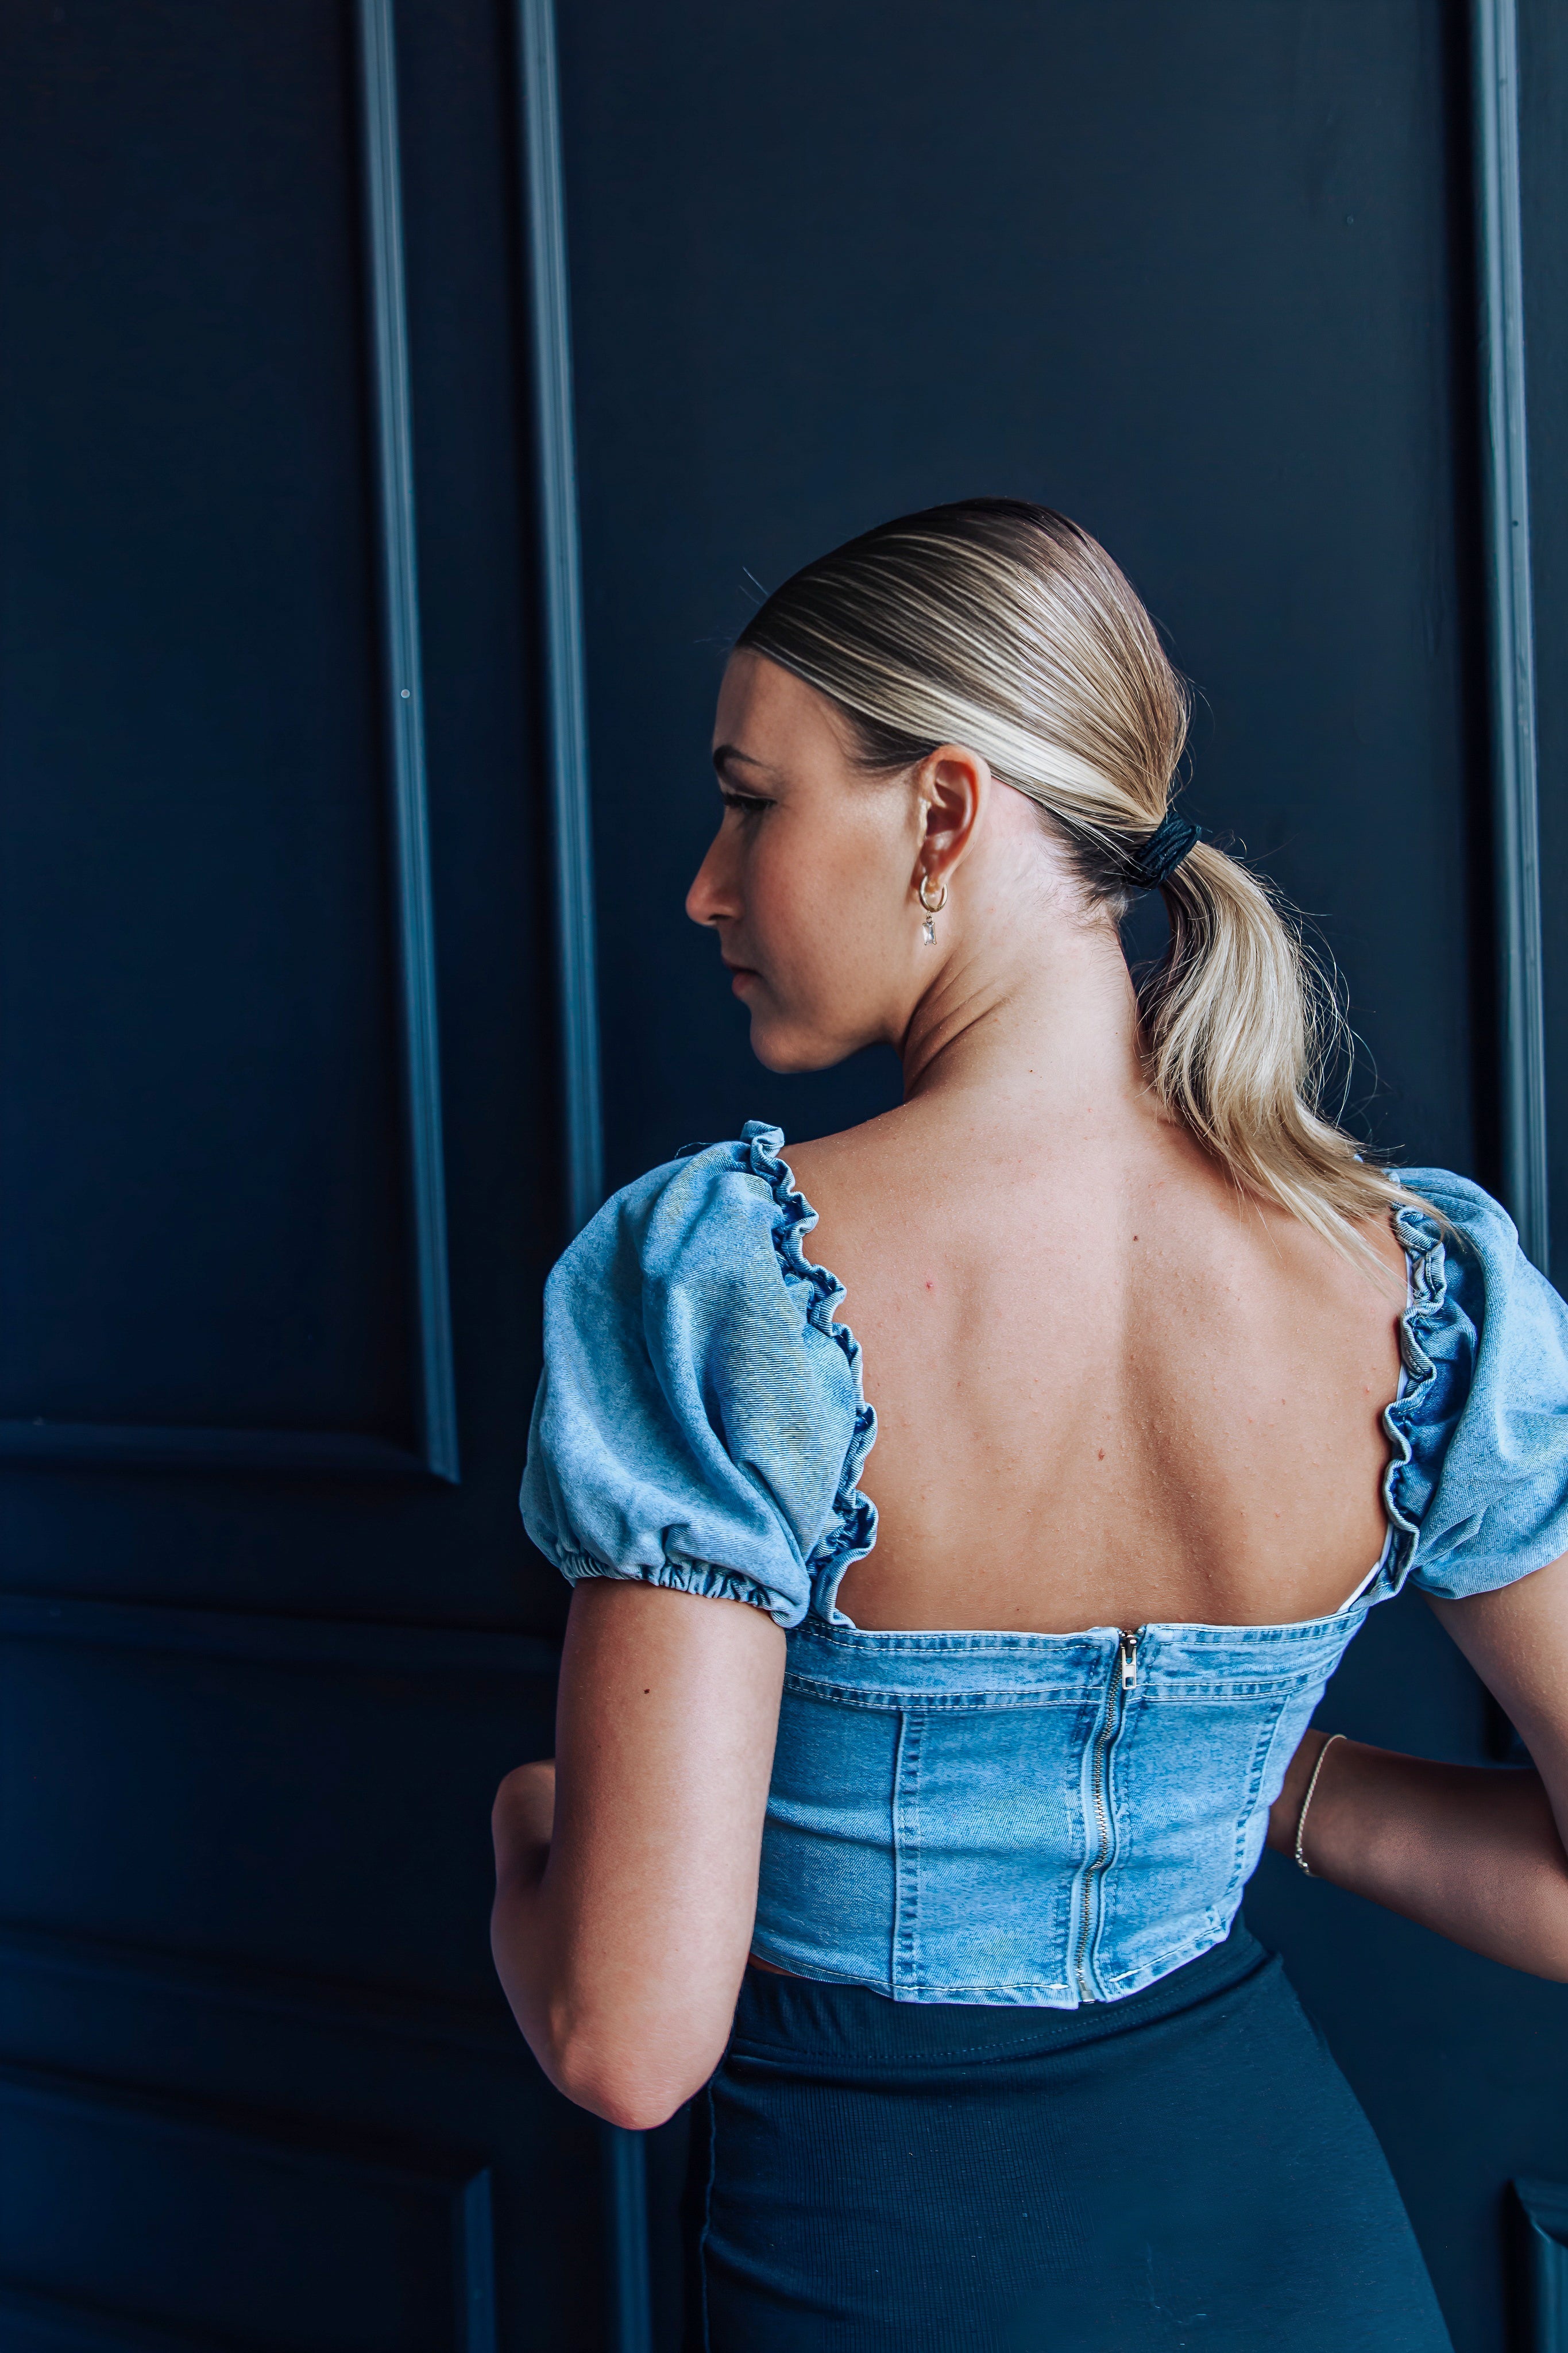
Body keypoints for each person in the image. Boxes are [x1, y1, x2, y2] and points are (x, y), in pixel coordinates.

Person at [490, 500, 1568, 2352]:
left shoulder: (723, 1277)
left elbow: (624, 2043)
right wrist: (1263, 1784)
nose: (705, 886)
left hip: (889, 2253)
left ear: (942, 812)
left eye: (750, 802)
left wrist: (532, 1832)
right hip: (1293, 2233)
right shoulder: (1424, 1285)